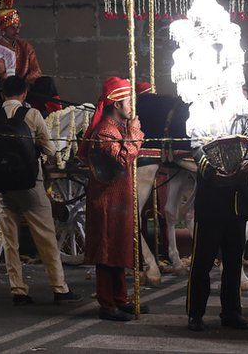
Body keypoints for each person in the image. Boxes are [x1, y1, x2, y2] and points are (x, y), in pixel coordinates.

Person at [0, 76, 81, 306]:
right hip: (30, 184)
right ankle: (59, 287)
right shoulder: (33, 115)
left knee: (10, 240)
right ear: (24, 93)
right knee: (46, 237)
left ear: (3, 94)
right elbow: (50, 148)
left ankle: (18, 290)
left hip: (2, 187)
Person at [187, 115, 248, 332]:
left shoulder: (241, 118)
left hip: (237, 201)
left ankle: (231, 312)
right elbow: (196, 147)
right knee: (202, 261)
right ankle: (195, 313)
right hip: (211, 201)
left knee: (233, 262)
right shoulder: (199, 117)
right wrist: (212, 171)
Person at [78, 77, 144, 322]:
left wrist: (131, 132)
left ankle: (120, 299)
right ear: (117, 104)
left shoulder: (119, 129)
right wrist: (136, 132)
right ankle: (107, 304)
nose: (132, 107)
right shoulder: (105, 131)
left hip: (120, 202)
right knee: (107, 253)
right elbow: (121, 160)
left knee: (119, 250)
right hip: (106, 202)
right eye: (129, 102)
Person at [0, 0, 60, 112]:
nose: (17, 30)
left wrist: (25, 85)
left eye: (18, 27)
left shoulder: (25, 46)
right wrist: (15, 85)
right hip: (6, 89)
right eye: (13, 27)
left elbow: (36, 70)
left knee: (46, 82)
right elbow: (0, 74)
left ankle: (56, 114)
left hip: (26, 87)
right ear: (3, 29)